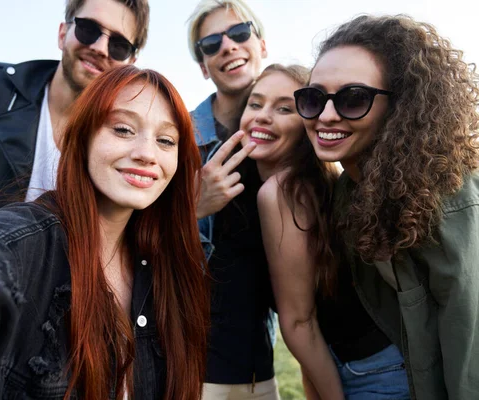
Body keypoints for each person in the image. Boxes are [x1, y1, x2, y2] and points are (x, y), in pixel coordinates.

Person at [0, 65, 210, 400]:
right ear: (83, 137)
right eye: (123, 129)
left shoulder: (171, 263)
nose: (147, 153)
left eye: (166, 140)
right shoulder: (19, 242)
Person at [294, 15, 479, 399]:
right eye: (313, 98)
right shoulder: (351, 189)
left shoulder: (449, 196)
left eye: (353, 98)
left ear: (401, 106)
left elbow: (470, 353)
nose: (327, 115)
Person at [0, 0, 150, 270]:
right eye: (88, 29)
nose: (100, 48)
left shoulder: (128, 140)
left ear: (131, 63)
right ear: (62, 33)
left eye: (119, 45)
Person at [187, 1, 278, 398]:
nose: (228, 46)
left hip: (263, 365)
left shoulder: (298, 134)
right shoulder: (178, 139)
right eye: (210, 43)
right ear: (204, 67)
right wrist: (194, 208)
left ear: (261, 45)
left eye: (239, 33)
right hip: (195, 367)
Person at [243, 64, 343, 399]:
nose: (263, 116)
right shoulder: (313, 184)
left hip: (361, 373)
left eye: (284, 108)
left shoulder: (279, 193)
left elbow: (301, 323)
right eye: (255, 104)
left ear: (308, 122)